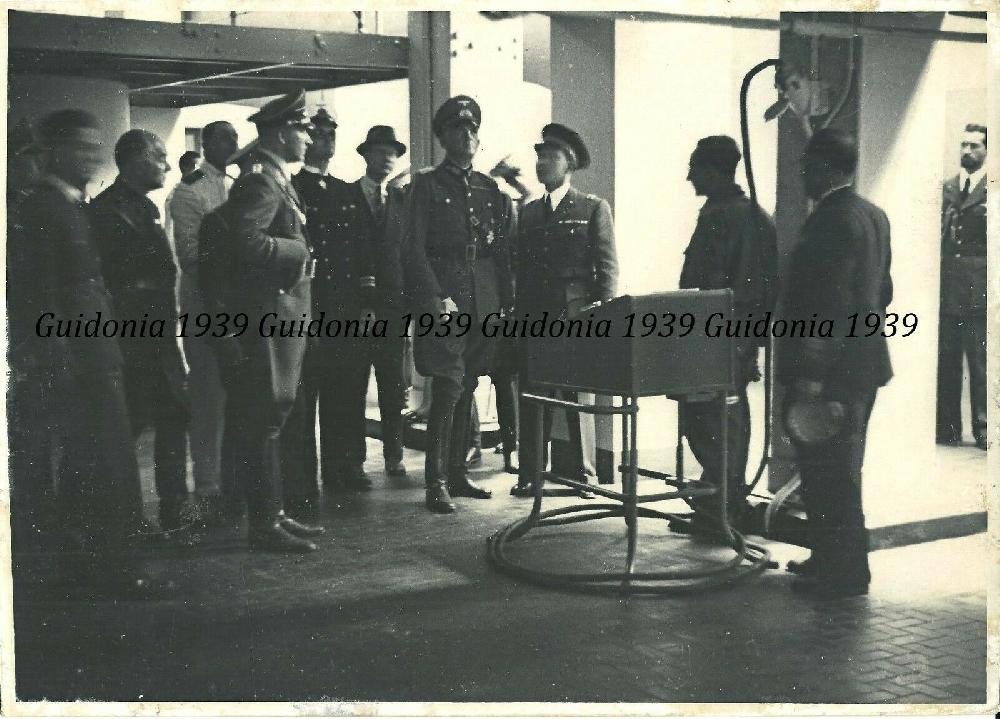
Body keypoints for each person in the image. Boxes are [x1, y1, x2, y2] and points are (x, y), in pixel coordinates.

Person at [15, 109, 174, 598]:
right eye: (82, 148)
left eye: (94, 146)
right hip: (79, 361)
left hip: (95, 353)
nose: (92, 156)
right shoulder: (46, 208)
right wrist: (61, 361)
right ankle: (118, 570)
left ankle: (91, 567)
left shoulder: (68, 204)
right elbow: (38, 295)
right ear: (56, 152)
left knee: (97, 466)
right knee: (107, 465)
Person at [780, 128, 893, 599]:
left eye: (808, 165)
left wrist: (811, 373)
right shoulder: (873, 215)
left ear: (826, 167)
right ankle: (833, 560)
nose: (802, 174)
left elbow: (826, 305)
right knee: (841, 467)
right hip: (863, 366)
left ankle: (843, 573)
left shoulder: (828, 220)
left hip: (828, 371)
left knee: (828, 471)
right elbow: (883, 289)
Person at [214, 89, 325, 552]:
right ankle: (264, 523)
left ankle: (273, 513)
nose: (308, 137)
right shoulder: (261, 183)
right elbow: (245, 242)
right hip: (268, 320)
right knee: (264, 419)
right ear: (282, 133)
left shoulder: (278, 181)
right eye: (302, 129)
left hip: (280, 318)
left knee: (271, 420)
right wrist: (300, 252)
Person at [399, 95, 515, 513]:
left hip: (483, 298)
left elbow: (500, 251)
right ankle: (436, 480)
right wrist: (434, 297)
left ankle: (458, 472)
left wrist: (504, 304)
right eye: (457, 130)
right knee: (447, 386)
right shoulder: (427, 185)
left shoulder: (489, 188)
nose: (466, 136)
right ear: (444, 138)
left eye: (472, 130)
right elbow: (413, 249)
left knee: (468, 384)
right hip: (445, 296)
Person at [90, 130, 190, 536]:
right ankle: (114, 518)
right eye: (159, 157)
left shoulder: (142, 208)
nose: (167, 165)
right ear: (134, 161)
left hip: (157, 338)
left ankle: (174, 511)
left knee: (172, 417)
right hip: (131, 340)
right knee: (126, 427)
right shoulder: (108, 211)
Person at [511, 123, 618, 498]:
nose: (542, 164)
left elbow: (606, 271)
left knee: (578, 400)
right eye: (539, 157)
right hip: (534, 318)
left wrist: (601, 320)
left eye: (551, 157)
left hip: (576, 318)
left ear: (569, 164)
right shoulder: (527, 214)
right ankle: (530, 474)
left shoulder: (592, 208)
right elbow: (518, 269)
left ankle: (585, 475)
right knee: (533, 397)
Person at [676, 135, 777, 524]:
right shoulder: (720, 212)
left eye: (695, 168)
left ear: (715, 171)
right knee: (704, 419)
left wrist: (743, 347)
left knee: (723, 421)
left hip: (725, 341)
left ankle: (726, 505)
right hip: (707, 340)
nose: (688, 177)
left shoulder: (741, 216)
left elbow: (753, 291)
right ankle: (714, 501)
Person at [168, 121, 240, 523]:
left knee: (238, 397)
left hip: (240, 306)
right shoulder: (189, 191)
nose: (232, 143)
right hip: (204, 307)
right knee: (209, 395)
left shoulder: (238, 183)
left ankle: (233, 478)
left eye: (234, 137)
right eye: (224, 137)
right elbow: (192, 254)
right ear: (206, 143)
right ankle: (209, 482)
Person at [937, 124, 988, 450]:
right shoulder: (948, 187)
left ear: (987, 151)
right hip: (949, 290)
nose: (967, 151)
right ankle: (948, 428)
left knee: (981, 363)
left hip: (980, 291)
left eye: (974, 146)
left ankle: (984, 428)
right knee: (948, 360)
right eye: (963, 145)